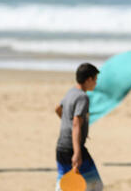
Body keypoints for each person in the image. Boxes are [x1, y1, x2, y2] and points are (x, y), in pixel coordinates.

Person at [55, 63, 103, 191]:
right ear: (89, 79)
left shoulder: (71, 92)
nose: (96, 83)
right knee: (95, 185)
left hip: (61, 147)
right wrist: (77, 152)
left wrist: (73, 127)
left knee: (63, 185)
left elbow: (58, 109)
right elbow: (76, 122)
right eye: (95, 79)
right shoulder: (83, 97)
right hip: (73, 148)